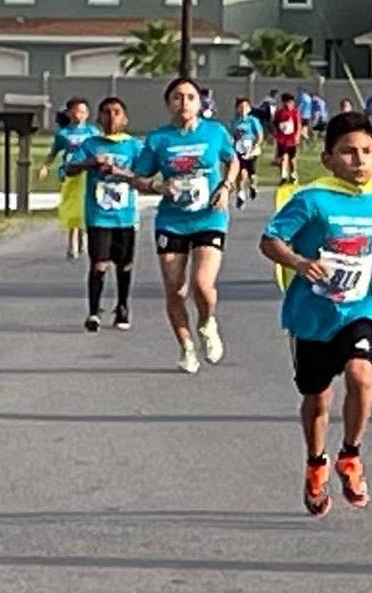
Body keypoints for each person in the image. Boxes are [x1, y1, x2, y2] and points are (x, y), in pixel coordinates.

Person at [260, 111, 372, 516]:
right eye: (348, 152)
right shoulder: (311, 199)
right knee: (317, 398)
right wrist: (298, 262)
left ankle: (351, 455)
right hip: (312, 314)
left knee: (361, 376)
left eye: (366, 152)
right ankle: (316, 462)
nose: (359, 160)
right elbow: (269, 240)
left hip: (359, 306)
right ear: (328, 159)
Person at [131, 77, 240, 374]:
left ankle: (206, 323)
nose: (184, 103)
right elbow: (139, 178)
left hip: (209, 216)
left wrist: (226, 186)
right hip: (172, 220)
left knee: (202, 285)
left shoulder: (214, 132)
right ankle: (187, 346)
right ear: (169, 104)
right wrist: (156, 187)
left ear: (199, 102)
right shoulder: (158, 139)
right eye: (177, 97)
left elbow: (233, 161)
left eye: (190, 97)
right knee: (175, 289)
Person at [64, 97, 142, 332]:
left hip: (125, 216)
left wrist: (119, 171)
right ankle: (93, 310)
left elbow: (144, 176)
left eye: (117, 112)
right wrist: (90, 163)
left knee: (124, 264)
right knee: (98, 263)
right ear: (98, 118)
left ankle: (122, 306)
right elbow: (68, 169)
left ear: (125, 118)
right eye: (106, 112)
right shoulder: (90, 144)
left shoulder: (133, 146)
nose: (111, 117)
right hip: (99, 214)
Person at [40, 97, 100, 259]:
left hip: (88, 174)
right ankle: (72, 243)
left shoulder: (93, 132)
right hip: (71, 173)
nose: (80, 115)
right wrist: (45, 166)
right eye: (76, 111)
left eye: (83, 112)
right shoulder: (64, 134)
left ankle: (84, 240)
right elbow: (53, 152)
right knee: (72, 207)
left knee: (86, 206)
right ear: (69, 113)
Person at [230, 97, 265, 209]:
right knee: (241, 171)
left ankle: (253, 186)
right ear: (237, 109)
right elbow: (232, 135)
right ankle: (241, 195)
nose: (243, 109)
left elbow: (260, 136)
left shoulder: (253, 120)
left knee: (252, 173)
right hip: (239, 149)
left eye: (246, 106)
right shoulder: (235, 121)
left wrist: (255, 146)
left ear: (249, 108)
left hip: (251, 149)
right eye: (241, 107)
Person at [274, 92, 302, 184]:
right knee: (282, 156)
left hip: (292, 138)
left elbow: (298, 125)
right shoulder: (279, 113)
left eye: (290, 102)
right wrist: (275, 135)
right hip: (282, 139)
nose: (288, 104)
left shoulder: (295, 112)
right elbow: (276, 124)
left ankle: (293, 174)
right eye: (286, 102)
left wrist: (297, 136)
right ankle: (283, 174)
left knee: (292, 158)